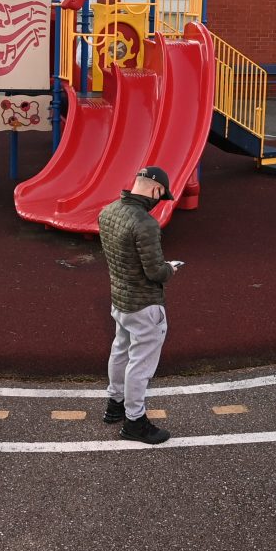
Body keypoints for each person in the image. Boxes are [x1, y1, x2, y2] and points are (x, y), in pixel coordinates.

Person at [97, 165, 181, 445]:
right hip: (145, 304)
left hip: (119, 299)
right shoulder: (145, 223)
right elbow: (155, 272)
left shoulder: (107, 211)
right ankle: (135, 421)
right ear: (156, 190)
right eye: (161, 195)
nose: (159, 201)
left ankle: (114, 405)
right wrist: (170, 268)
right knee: (140, 364)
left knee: (120, 351)